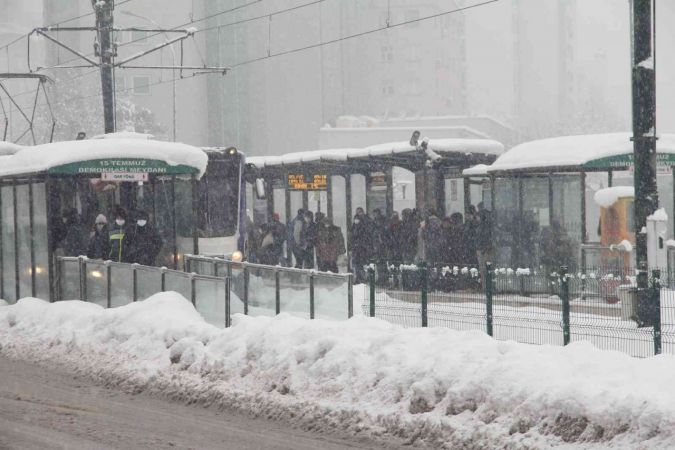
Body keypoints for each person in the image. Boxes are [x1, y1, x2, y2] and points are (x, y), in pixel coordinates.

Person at [349, 208, 373, 283]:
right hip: (356, 248)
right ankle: (359, 278)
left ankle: (364, 278)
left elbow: (366, 236)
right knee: (357, 264)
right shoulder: (354, 226)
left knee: (363, 264)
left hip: (363, 248)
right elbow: (351, 237)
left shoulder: (365, 224)